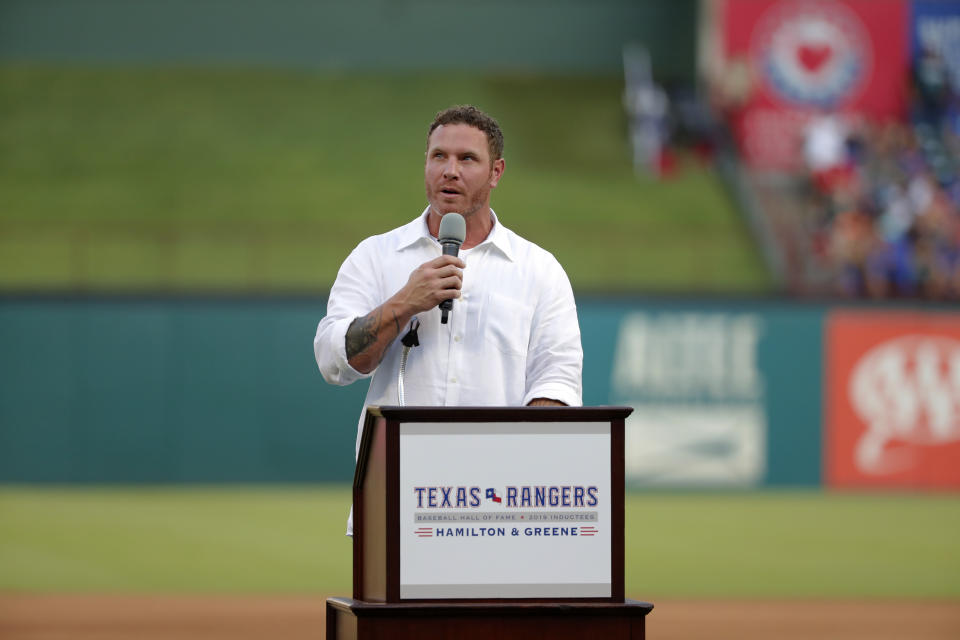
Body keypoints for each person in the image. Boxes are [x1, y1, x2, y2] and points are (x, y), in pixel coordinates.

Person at [313, 105, 583, 533]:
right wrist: (403, 303)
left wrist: (513, 479)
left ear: (496, 172)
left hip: (501, 510)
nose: (449, 171)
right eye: (438, 156)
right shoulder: (376, 256)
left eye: (467, 159)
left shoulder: (538, 269)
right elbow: (334, 362)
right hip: (395, 501)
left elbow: (557, 382)